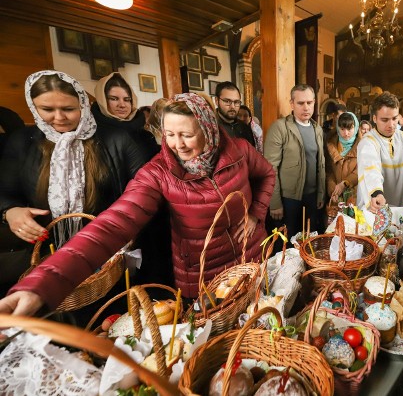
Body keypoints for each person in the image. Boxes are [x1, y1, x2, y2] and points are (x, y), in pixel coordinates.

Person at [0, 93, 275, 315]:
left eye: (187, 135)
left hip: (251, 253)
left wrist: (255, 214)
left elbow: (266, 175)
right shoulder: (158, 173)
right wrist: (42, 284)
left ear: (209, 128)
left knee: (263, 315)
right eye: (169, 134)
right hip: (202, 272)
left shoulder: (238, 150)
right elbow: (113, 223)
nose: (177, 145)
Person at [0, 71, 148, 294]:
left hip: (106, 254)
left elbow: (144, 190)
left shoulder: (116, 139)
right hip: (43, 254)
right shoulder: (22, 142)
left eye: (68, 109)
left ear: (83, 105)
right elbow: (5, 190)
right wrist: (10, 211)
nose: (59, 117)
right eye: (47, 110)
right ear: (33, 107)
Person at [264, 84, 325, 237]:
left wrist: (320, 194)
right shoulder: (280, 128)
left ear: (314, 102)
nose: (306, 107)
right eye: (300, 103)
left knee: (309, 242)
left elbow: (321, 164)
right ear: (292, 104)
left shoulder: (317, 129)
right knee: (285, 245)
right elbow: (270, 168)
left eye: (309, 103)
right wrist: (275, 203)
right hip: (288, 200)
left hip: (311, 198)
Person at [357, 91, 403, 211]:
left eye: (394, 118)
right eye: (385, 120)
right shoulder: (368, 141)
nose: (391, 125)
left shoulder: (400, 136)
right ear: (374, 118)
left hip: (399, 202)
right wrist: (377, 193)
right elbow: (371, 170)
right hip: (376, 202)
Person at [92, 72, 159, 160]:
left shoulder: (144, 133)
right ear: (102, 101)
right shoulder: (92, 134)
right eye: (114, 99)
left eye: (127, 100)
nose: (122, 105)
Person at [325, 112, 360, 206]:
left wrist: (345, 183)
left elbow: (361, 170)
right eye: (342, 129)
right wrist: (333, 191)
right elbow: (329, 172)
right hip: (336, 197)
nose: (346, 133)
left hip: (355, 197)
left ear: (356, 127)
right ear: (337, 128)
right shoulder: (330, 144)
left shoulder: (363, 145)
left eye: (349, 128)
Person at [214, 81, 256, 147]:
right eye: (227, 101)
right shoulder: (210, 126)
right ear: (216, 101)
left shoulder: (245, 128)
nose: (232, 106)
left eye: (236, 102)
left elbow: (252, 154)